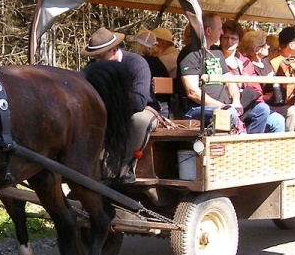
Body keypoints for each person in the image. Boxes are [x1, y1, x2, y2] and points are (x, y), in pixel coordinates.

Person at [81, 27, 158, 182]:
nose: (98, 62)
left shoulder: (137, 63)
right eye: (95, 57)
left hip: (141, 111)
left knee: (139, 120)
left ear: (114, 49)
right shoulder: (92, 67)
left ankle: (126, 167)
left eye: (102, 56)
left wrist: (108, 97)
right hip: (110, 111)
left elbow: (138, 102)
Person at [177, 15, 241, 131]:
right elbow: (193, 92)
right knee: (229, 114)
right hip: (198, 108)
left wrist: (236, 101)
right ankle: (231, 146)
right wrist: (222, 106)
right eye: (220, 29)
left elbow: (230, 81)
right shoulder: (190, 54)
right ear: (208, 31)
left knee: (262, 111)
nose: (222, 32)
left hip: (225, 105)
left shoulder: (216, 52)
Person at [236, 30, 285, 133]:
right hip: (259, 104)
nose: (268, 46)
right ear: (256, 49)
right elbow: (252, 90)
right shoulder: (248, 65)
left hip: (275, 102)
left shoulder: (265, 61)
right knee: (278, 118)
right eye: (264, 44)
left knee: (287, 115)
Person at [130, 28, 169, 117]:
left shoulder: (140, 63)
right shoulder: (158, 63)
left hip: (151, 110)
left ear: (138, 45)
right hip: (163, 107)